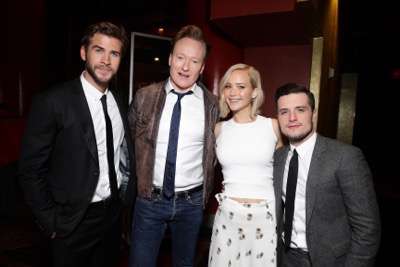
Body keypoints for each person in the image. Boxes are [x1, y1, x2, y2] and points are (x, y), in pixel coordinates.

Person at [18, 21, 136, 267]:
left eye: (114, 53)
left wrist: (123, 205)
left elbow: (123, 156)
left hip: (112, 217)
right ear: (84, 53)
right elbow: (30, 170)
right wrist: (50, 221)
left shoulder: (119, 100)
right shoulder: (52, 101)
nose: (106, 60)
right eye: (98, 50)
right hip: (72, 222)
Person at [127, 25, 219, 267]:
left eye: (194, 61)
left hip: (192, 204)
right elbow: (129, 146)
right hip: (149, 200)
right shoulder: (144, 97)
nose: (185, 67)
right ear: (170, 59)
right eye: (180, 57)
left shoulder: (212, 105)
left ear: (202, 67)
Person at [273, 83, 381, 267]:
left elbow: (367, 228)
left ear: (313, 114)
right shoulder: (278, 157)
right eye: (284, 112)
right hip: (285, 258)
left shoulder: (345, 157)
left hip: (330, 261)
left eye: (300, 110)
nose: (292, 118)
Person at [208, 63, 282, 267]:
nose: (233, 93)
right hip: (228, 217)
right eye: (228, 86)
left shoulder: (272, 126)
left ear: (254, 92)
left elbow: (285, 172)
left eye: (241, 87)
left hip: (265, 217)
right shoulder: (219, 129)